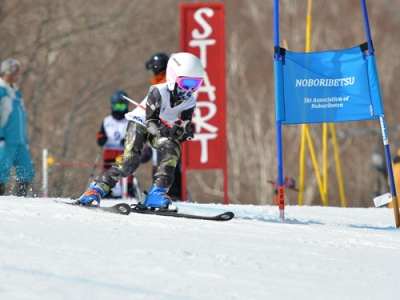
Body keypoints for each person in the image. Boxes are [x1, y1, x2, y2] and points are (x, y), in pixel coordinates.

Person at [78, 52, 204, 210]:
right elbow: (151, 124)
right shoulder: (158, 92)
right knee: (131, 162)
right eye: (186, 83)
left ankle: (157, 192)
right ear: (173, 77)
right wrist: (169, 132)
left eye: (195, 85)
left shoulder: (190, 102)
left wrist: (184, 132)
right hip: (140, 124)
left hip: (161, 131)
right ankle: (96, 189)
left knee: (173, 148)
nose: (189, 90)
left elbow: (183, 125)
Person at [146, 52, 183, 200]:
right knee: (171, 159)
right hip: (168, 126)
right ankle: (169, 193)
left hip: (165, 126)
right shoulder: (164, 80)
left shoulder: (163, 82)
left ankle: (167, 193)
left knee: (162, 161)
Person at [0, 58, 35, 196]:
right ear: (7, 72)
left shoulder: (17, 93)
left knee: (26, 169)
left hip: (20, 140)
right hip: (5, 139)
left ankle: (22, 196)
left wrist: (25, 140)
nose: (17, 76)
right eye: (15, 73)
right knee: (2, 169)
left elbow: (20, 118)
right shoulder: (1, 91)